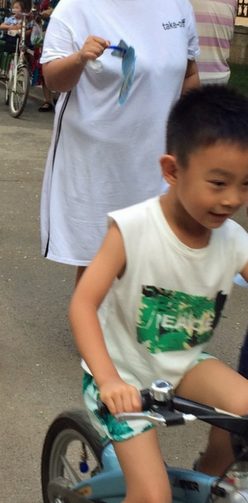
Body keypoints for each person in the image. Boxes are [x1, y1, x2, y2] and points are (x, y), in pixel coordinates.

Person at [70, 85, 248, 503]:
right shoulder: (132, 229)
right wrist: (108, 378)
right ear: (172, 170)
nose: (233, 199)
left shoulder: (234, 240)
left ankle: (211, 474)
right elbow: (83, 304)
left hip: (183, 366)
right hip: (123, 374)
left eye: (246, 184)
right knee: (152, 496)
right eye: (219, 182)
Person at [40, 0, 199, 286]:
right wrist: (79, 58)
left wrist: (193, 137)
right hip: (96, 158)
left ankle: (139, 340)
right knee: (98, 253)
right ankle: (92, 341)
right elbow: (53, 79)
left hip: (156, 157)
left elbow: (189, 73)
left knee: (153, 254)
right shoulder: (76, 5)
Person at [33, 0, 71, 112]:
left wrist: (53, 12)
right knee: (44, 64)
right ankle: (47, 99)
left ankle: (58, 95)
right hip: (41, 32)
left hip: (59, 32)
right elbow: (34, 8)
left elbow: (70, 10)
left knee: (59, 62)